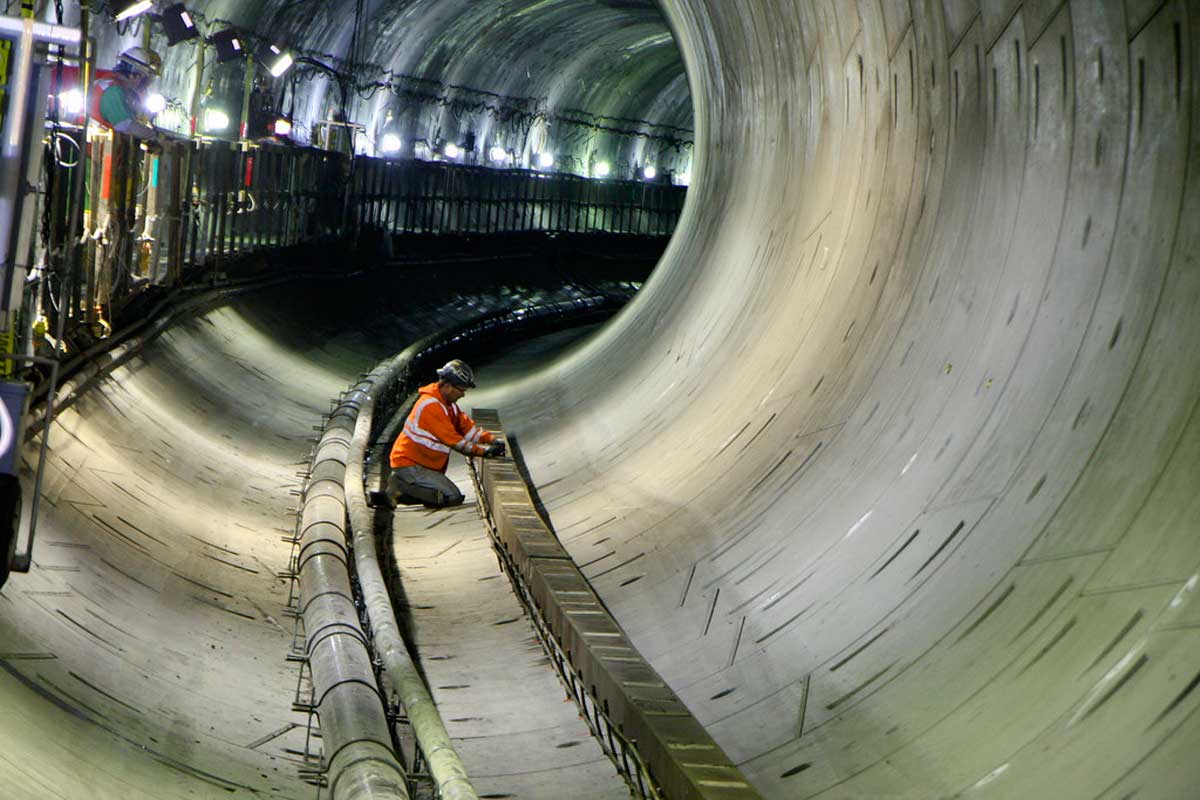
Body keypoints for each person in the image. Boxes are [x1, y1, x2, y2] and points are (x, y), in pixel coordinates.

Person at [385, 359, 505, 507]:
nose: (462, 394)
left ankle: (402, 490)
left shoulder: (449, 406)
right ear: (447, 386)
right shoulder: (431, 405)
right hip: (410, 464)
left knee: (444, 496)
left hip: (422, 464)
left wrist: (493, 440)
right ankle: (401, 486)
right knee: (452, 497)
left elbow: (468, 430)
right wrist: (484, 453)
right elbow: (454, 441)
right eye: (461, 390)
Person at [93, 47, 163, 144]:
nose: (140, 82)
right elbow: (125, 125)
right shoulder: (112, 91)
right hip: (93, 149)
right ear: (131, 74)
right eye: (140, 77)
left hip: (104, 148)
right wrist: (155, 137)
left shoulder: (122, 90)